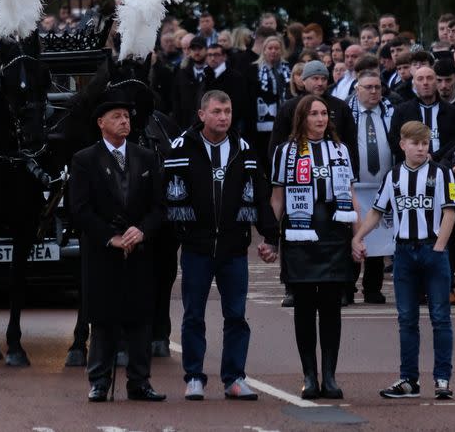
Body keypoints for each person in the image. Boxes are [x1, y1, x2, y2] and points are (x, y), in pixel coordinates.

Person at [164, 90, 278, 401]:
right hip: (197, 247)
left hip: (233, 247)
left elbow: (260, 194)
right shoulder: (179, 148)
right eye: (216, 111)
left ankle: (234, 378)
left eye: (227, 111)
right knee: (193, 315)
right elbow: (167, 196)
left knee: (236, 315)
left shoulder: (245, 150)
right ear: (202, 115)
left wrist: (270, 237)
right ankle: (194, 377)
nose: (223, 117)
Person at [68, 92, 166, 403]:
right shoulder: (84, 160)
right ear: (101, 123)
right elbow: (79, 209)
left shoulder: (146, 158)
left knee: (140, 318)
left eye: (126, 116)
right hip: (102, 252)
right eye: (116, 117)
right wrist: (110, 238)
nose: (124, 121)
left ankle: (139, 382)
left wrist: (142, 231)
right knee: (103, 318)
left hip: (138, 250)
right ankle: (99, 380)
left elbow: (159, 207)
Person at [353, 121, 455, 400]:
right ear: (403, 145)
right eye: (415, 143)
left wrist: (438, 248)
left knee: (440, 318)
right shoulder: (393, 175)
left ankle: (442, 378)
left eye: (425, 144)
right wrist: (358, 236)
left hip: (432, 250)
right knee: (407, 318)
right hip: (403, 253)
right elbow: (376, 212)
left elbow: (450, 212)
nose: (421, 148)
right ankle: (409, 379)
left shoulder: (441, 173)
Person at [270, 95, 359, 399]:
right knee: (305, 306)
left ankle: (330, 376)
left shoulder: (340, 149)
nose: (321, 119)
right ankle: (309, 375)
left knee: (332, 306)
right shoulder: (286, 151)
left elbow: (351, 193)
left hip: (334, 231)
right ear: (302, 118)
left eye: (324, 114)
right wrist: (271, 238)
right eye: (314, 114)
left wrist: (358, 238)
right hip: (299, 230)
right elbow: (278, 197)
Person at [348, 70, 394, 304]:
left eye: (377, 87)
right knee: (354, 234)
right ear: (358, 89)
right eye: (368, 87)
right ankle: (347, 287)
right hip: (355, 184)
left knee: (379, 236)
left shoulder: (391, 111)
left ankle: (372, 288)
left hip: (382, 183)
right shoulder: (347, 112)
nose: (374, 91)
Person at [389, 66, 455, 164]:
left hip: (443, 167)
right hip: (410, 168)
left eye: (429, 78)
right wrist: (415, 157)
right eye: (420, 79)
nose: (425, 83)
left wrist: (434, 157)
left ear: (436, 82)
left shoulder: (452, 111)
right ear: (414, 85)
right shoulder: (402, 111)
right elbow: (395, 140)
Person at [247, 35, 290, 170]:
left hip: (283, 122)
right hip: (261, 124)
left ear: (281, 51)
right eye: (270, 48)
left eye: (277, 48)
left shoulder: (287, 70)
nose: (273, 51)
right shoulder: (253, 70)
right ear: (264, 50)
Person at [172, 36, 208, 130]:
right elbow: (176, 100)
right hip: (186, 124)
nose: (196, 52)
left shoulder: (212, 73)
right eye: (193, 49)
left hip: (207, 124)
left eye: (200, 48)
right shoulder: (182, 73)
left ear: (206, 50)